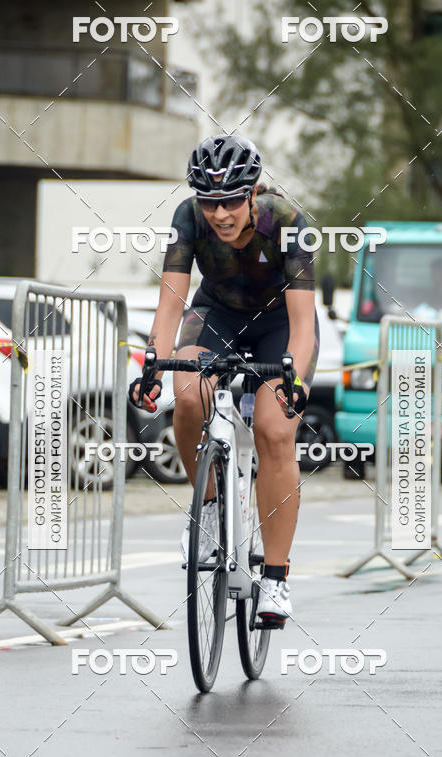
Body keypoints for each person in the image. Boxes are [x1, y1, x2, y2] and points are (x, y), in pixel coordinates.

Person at [129, 135, 319, 626]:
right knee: (188, 395)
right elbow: (170, 304)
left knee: (274, 431)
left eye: (231, 200)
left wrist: (295, 380)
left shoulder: (286, 221)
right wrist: (153, 366)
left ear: (252, 193)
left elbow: (303, 321)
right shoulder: (188, 218)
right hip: (217, 315)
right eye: (210, 201)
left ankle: (275, 578)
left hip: (280, 324)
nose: (220, 213)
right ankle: (211, 504)